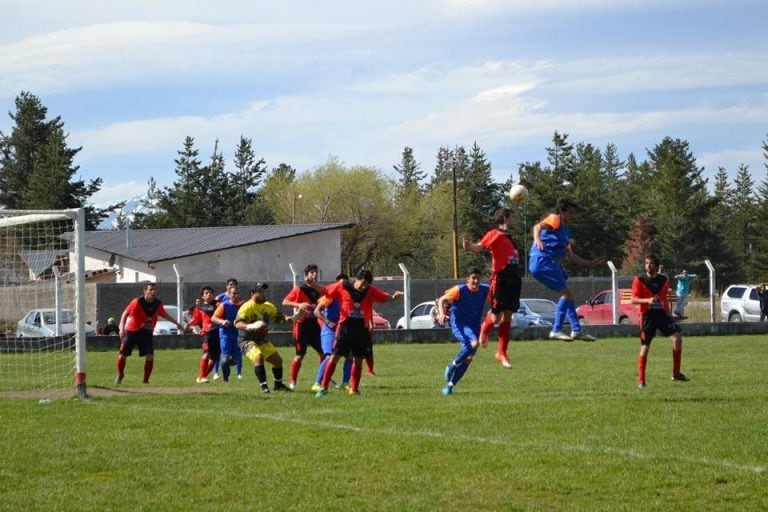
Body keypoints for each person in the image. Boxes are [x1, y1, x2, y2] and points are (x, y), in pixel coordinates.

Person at [315, 269, 403, 397]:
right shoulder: (343, 286)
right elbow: (325, 290)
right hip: (345, 327)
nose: (364, 286)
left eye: (367, 284)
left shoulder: (370, 290)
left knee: (358, 358)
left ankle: (354, 389)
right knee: (335, 356)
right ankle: (324, 388)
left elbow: (384, 297)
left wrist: (394, 297)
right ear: (356, 279)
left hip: (361, 328)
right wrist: (312, 284)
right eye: (363, 283)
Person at [529, 197, 604, 341]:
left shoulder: (565, 232)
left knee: (566, 285)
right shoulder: (554, 219)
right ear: (562, 212)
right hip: (541, 261)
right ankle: (557, 329)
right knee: (567, 294)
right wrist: (537, 239)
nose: (572, 215)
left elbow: (572, 257)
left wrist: (590, 263)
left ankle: (576, 329)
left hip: (548, 262)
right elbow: (537, 227)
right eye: (570, 212)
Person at [461, 207, 522, 369]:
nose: (515, 219)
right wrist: (469, 246)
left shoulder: (511, 237)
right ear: (505, 218)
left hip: (514, 278)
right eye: (513, 216)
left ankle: (501, 352)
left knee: (508, 315)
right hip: (501, 278)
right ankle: (484, 330)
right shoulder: (494, 233)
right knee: (496, 317)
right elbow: (478, 247)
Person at [631, 254, 688, 388]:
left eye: (650, 263)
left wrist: (668, 314)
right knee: (645, 346)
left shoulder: (664, 280)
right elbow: (633, 299)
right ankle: (641, 380)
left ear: (656, 266)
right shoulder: (639, 280)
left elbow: (664, 299)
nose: (648, 266)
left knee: (677, 339)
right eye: (646, 263)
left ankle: (676, 373)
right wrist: (647, 301)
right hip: (647, 316)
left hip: (662, 315)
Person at [115, 282, 183, 384]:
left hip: (146, 332)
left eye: (154, 289)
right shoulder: (137, 301)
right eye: (151, 289)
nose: (153, 291)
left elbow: (164, 315)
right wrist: (121, 328)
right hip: (132, 331)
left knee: (150, 356)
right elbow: (125, 313)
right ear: (145, 291)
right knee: (122, 355)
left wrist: (176, 323)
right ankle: (120, 374)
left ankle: (145, 380)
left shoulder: (158, 303)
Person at [438, 267, 491, 396]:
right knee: (474, 343)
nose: (476, 281)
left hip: (474, 326)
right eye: (473, 278)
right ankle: (452, 365)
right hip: (459, 325)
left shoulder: (485, 290)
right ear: (468, 279)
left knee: (468, 358)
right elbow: (442, 300)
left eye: (478, 278)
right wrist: (441, 314)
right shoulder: (459, 290)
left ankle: (449, 387)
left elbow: (495, 302)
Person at [234, 282, 293, 393]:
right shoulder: (246, 307)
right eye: (260, 292)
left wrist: (290, 318)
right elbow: (237, 324)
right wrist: (250, 326)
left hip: (261, 340)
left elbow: (278, 317)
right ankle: (264, 387)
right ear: (252, 294)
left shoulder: (268, 306)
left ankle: (278, 385)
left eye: (264, 291)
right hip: (246, 340)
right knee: (258, 357)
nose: (263, 294)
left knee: (278, 361)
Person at [282, 264, 326, 390]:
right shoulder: (299, 289)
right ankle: (293, 381)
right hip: (301, 325)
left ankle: (320, 380)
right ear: (306, 275)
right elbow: (285, 302)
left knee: (324, 354)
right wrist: (298, 304)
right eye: (312, 272)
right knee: (300, 355)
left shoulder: (320, 290)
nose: (314, 274)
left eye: (316, 272)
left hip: (315, 325)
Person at [313, 274, 353, 391]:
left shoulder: (349, 296)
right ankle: (317, 383)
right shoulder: (330, 296)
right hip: (329, 331)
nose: (343, 286)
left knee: (350, 355)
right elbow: (316, 311)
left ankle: (345, 383)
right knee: (330, 356)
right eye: (340, 284)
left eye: (345, 284)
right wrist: (327, 321)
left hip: (343, 330)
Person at [185, 286, 220, 384]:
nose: (209, 294)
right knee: (206, 353)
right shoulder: (199, 308)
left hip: (217, 333)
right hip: (207, 333)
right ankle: (202, 376)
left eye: (210, 293)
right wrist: (189, 324)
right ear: (202, 296)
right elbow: (196, 321)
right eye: (206, 293)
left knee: (215, 357)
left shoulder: (218, 305)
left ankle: (201, 377)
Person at [211, 284, 245, 382]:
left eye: (237, 293)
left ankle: (237, 371)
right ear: (229, 295)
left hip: (239, 334)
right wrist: (222, 321)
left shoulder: (243, 305)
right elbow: (214, 318)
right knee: (225, 359)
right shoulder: (224, 305)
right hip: (225, 334)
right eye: (234, 294)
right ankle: (225, 379)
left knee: (236, 359)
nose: (236, 295)